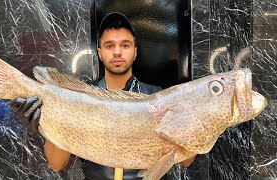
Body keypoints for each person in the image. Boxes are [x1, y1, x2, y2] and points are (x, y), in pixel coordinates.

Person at [10, 12, 195, 180]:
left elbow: (186, 161)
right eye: (109, 45)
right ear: (100, 53)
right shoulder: (78, 97)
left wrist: (196, 121)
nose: (117, 51)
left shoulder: (158, 97)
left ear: (135, 52)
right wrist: (47, 124)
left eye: (125, 45)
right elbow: (56, 164)